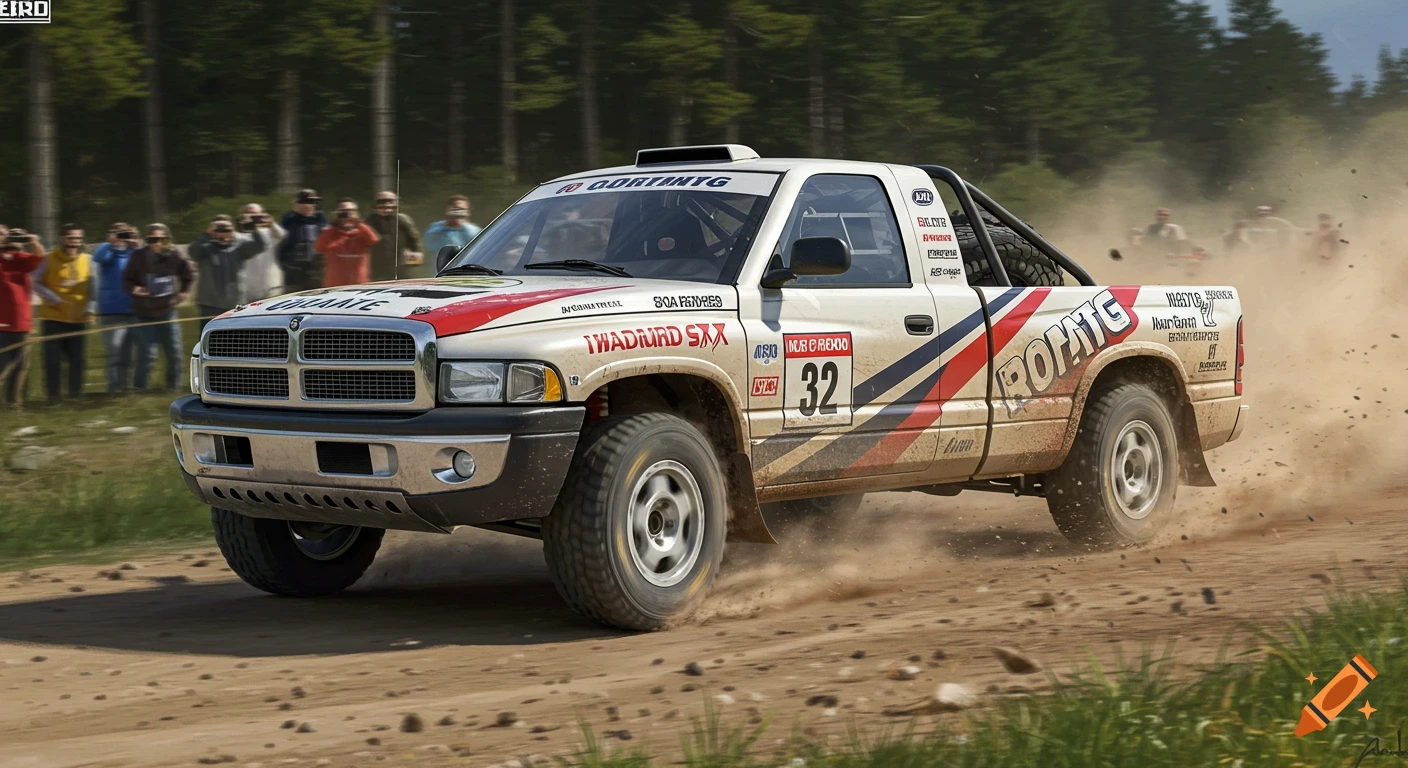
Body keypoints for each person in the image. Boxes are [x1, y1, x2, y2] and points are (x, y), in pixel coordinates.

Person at [123, 223, 194, 392]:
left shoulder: (175, 256)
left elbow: (188, 275)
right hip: (143, 314)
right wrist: (135, 289)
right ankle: (140, 389)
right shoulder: (138, 257)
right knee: (147, 355)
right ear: (147, 240)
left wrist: (184, 291)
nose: (156, 243)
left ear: (167, 240)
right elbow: (126, 279)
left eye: (160, 239)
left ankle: (173, 388)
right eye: (152, 239)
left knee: (175, 353)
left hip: (167, 313)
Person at [33, 224, 95, 401]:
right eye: (70, 238)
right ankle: (53, 398)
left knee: (78, 362)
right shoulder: (48, 259)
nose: (74, 242)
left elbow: (93, 288)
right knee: (53, 362)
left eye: (78, 239)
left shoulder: (88, 260)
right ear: (62, 239)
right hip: (53, 320)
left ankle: (75, 397)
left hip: (78, 321)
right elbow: (35, 281)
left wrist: (90, 309)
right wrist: (54, 300)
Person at [189, 214, 270, 331]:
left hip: (235, 304)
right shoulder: (205, 247)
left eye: (227, 229)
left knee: (237, 339)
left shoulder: (240, 247)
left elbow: (262, 245)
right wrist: (206, 234)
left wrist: (253, 227)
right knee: (209, 340)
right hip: (210, 305)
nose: (223, 233)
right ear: (212, 231)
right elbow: (193, 252)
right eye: (219, 229)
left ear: (233, 230)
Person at [92, 223, 141, 392]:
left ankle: (127, 387)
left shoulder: (134, 253)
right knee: (115, 353)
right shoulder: (108, 252)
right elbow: (97, 257)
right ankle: (114, 389)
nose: (123, 236)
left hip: (134, 310)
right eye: (119, 233)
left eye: (125, 233)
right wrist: (110, 242)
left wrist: (136, 244)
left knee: (130, 355)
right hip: (111, 311)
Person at [0, 225, 45, 403]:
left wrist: (32, 241)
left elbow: (40, 258)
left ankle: (14, 403)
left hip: (21, 322)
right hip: (1, 323)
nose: (4, 237)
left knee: (19, 367)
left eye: (4, 234)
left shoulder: (21, 258)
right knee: (1, 365)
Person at [313, 199, 381, 287]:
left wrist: (358, 222)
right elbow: (318, 248)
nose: (347, 215)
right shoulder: (331, 233)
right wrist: (333, 225)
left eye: (351, 211)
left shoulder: (362, 231)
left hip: (359, 284)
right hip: (335, 286)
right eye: (343, 212)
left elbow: (374, 240)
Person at [278, 189, 328, 293]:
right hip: (294, 272)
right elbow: (281, 245)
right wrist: (287, 266)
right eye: (307, 202)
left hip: (316, 272)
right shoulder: (289, 219)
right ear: (298, 204)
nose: (311, 206)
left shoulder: (320, 218)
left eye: (313, 202)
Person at [366, 191, 424, 281]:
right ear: (374, 205)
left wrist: (414, 263)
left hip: (401, 267)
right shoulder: (368, 222)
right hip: (377, 268)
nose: (386, 205)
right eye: (382, 202)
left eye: (390, 201)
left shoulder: (403, 220)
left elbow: (415, 241)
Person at [237, 203, 286, 301]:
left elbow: (282, 235)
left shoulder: (269, 231)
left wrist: (271, 224)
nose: (251, 216)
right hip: (248, 284)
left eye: (255, 214)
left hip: (269, 282)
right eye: (248, 213)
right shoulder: (238, 234)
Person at [424, 204, 481, 271]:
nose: (458, 212)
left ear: (467, 212)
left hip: (467, 269)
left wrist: (462, 226)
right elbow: (429, 245)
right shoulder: (436, 228)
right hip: (439, 270)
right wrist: (447, 225)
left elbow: (479, 249)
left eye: (461, 209)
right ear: (447, 211)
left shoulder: (473, 230)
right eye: (455, 209)